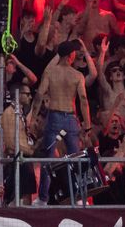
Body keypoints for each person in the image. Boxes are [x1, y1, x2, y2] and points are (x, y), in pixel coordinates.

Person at [37, 41, 91, 203]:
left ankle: (43, 199)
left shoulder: (50, 72)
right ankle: (80, 197)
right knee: (75, 157)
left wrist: (33, 115)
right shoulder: (77, 75)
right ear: (70, 55)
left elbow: (40, 94)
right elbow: (83, 99)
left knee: (49, 158)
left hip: (54, 117)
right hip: (70, 118)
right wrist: (87, 124)